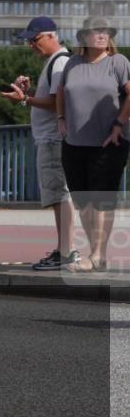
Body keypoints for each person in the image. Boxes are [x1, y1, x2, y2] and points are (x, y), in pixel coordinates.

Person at [2, 16, 78, 270]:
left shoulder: (59, 63)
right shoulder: (55, 62)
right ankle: (64, 249)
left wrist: (25, 99)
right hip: (52, 138)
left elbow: (58, 103)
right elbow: (53, 99)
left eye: (35, 40)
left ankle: (67, 251)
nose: (31, 45)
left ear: (51, 35)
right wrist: (29, 93)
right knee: (57, 195)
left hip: (54, 138)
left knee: (60, 195)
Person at [56, 17, 130, 273]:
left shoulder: (118, 62)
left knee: (101, 200)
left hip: (108, 142)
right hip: (74, 143)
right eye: (96, 31)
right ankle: (96, 253)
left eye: (105, 32)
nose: (101, 35)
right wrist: (61, 119)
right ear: (84, 37)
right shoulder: (73, 63)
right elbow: (61, 92)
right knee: (83, 202)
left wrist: (119, 124)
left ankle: (98, 254)